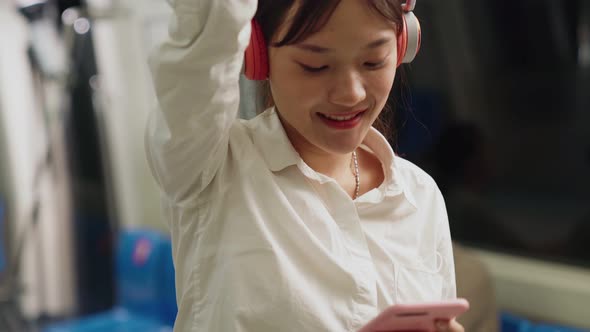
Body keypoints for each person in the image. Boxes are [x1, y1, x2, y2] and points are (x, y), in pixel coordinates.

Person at [145, 0, 464, 331]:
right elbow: (212, 17)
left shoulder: (421, 197)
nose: (350, 94)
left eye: (373, 61)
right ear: (257, 55)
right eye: (315, 66)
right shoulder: (212, 168)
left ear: (401, 47)